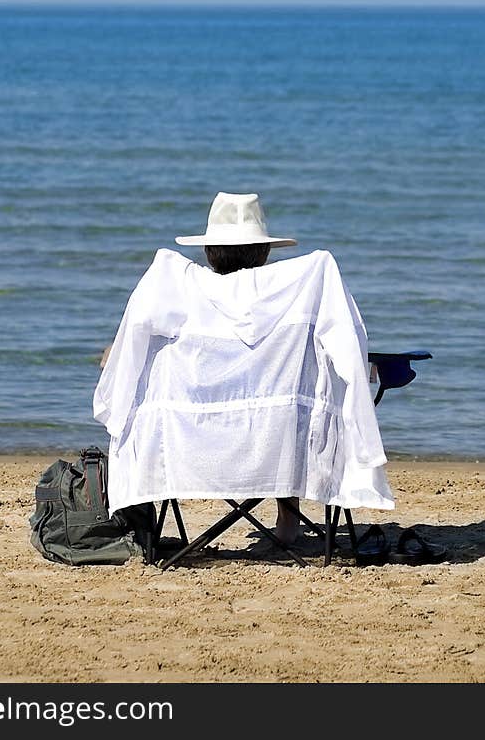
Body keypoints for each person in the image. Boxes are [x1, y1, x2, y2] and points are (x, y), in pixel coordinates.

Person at [93, 191, 393, 550]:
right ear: (265, 251)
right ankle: (287, 520)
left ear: (208, 250)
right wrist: (358, 368)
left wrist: (122, 358)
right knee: (284, 403)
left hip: (189, 450)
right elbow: (348, 351)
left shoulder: (175, 287)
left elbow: (126, 358)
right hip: (275, 447)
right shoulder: (307, 284)